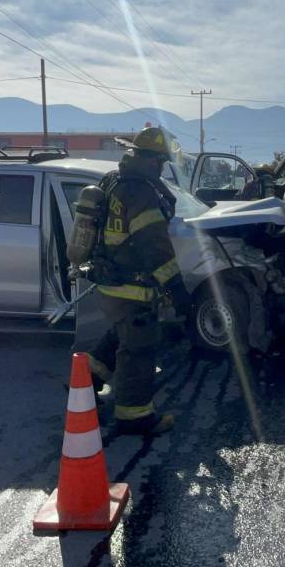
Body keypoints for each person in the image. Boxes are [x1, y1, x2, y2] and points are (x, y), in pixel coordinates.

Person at [86, 126, 190, 436]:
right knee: (139, 350)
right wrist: (176, 287)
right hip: (132, 286)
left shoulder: (112, 180)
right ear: (155, 160)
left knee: (121, 333)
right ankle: (135, 417)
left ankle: (87, 381)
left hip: (111, 281)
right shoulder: (141, 191)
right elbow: (154, 246)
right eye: (162, 161)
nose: (162, 167)